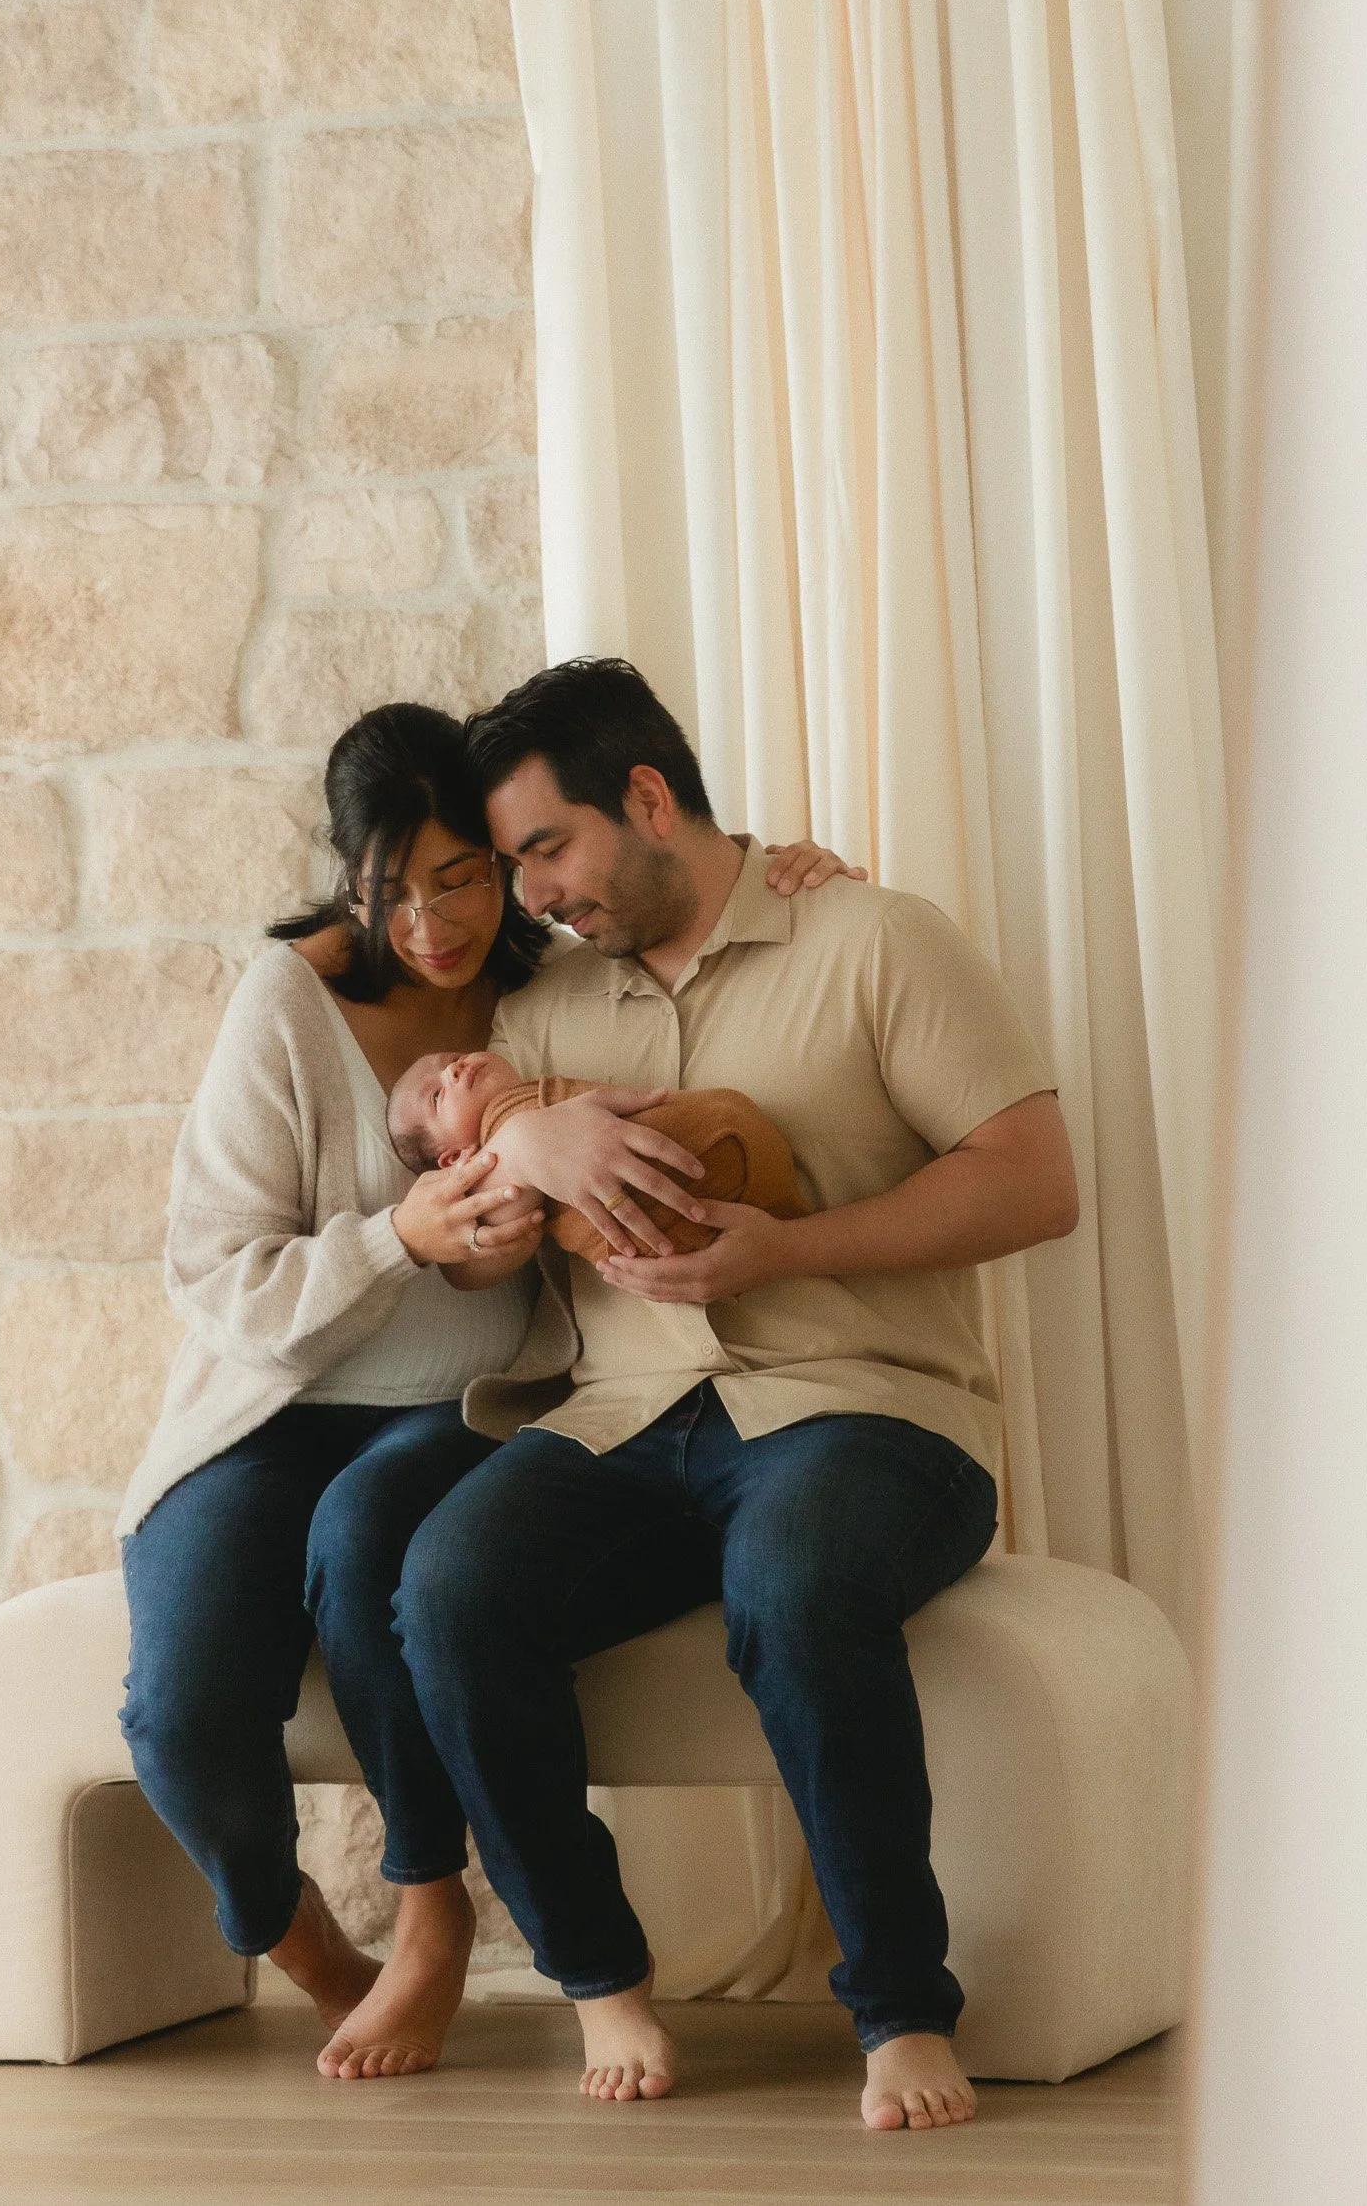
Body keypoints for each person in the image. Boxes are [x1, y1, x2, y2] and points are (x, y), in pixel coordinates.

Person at [116, 698, 858, 2084]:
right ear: (349, 879)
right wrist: (401, 1238)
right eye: (390, 890)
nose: (429, 923)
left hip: (463, 1410)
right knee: (177, 1712)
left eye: (459, 876)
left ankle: (430, 1914)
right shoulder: (289, 1002)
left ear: (501, 863)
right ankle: (315, 1957)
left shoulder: (549, 973)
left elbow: (683, 899)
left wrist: (786, 863)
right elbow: (213, 1274)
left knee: (367, 1550)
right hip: (268, 1406)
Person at [390, 659, 1081, 2134]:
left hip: (866, 1408)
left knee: (794, 1578)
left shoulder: (875, 939)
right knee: (446, 1585)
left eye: (545, 850)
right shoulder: (548, 1013)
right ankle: (596, 1977)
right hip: (618, 1426)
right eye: (513, 867)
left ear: (645, 798)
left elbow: (1033, 1182)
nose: (532, 894)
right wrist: (519, 1153)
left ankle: (898, 2008)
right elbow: (450, 1212)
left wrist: (793, 1248)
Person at [385, 1047, 807, 1263]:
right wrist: (518, 1146)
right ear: (451, 1158)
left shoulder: (533, 1097)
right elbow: (498, 1219)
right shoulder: (486, 1174)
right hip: (689, 1209)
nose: (453, 1069)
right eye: (438, 1095)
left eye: (453, 1059)